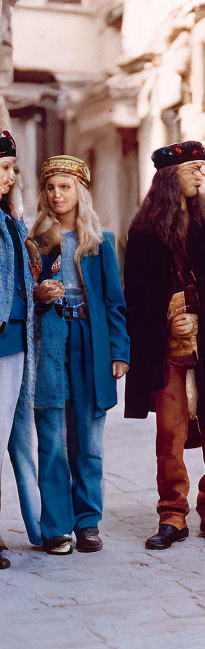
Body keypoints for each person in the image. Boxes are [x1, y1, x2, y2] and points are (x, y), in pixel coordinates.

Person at [124, 141, 205, 550]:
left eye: (204, 167)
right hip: (168, 350)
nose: (202, 174)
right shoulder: (144, 231)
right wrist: (167, 317)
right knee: (170, 431)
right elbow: (135, 296)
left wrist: (201, 313)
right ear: (169, 176)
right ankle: (172, 513)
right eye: (193, 168)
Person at [27, 155, 129, 555]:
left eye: (65, 186)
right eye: (51, 187)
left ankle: (87, 521)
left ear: (80, 192)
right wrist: (38, 295)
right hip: (51, 338)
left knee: (89, 439)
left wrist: (119, 352)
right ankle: (56, 526)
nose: (57, 194)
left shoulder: (100, 242)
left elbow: (115, 302)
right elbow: (22, 295)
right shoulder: (34, 243)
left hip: (90, 340)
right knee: (51, 437)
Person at [0, 130, 41, 568]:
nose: (12, 177)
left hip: (16, 342)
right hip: (3, 342)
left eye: (13, 169)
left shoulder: (11, 220)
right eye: (6, 169)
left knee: (18, 442)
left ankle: (40, 528)